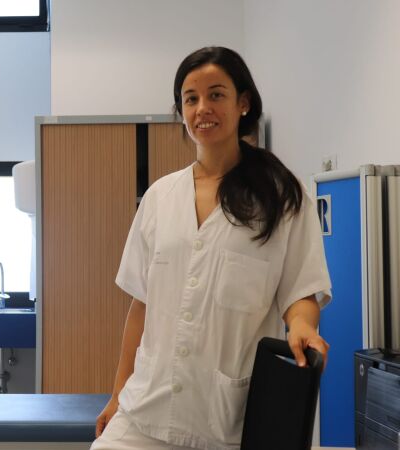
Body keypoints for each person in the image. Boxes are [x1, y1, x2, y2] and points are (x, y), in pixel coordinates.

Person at [91, 46, 332, 450]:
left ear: (243, 103)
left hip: (226, 423)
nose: (203, 108)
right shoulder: (160, 197)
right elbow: (141, 306)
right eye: (191, 99)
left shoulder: (283, 198)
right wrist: (118, 395)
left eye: (216, 94)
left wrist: (303, 326)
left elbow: (300, 291)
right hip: (144, 410)